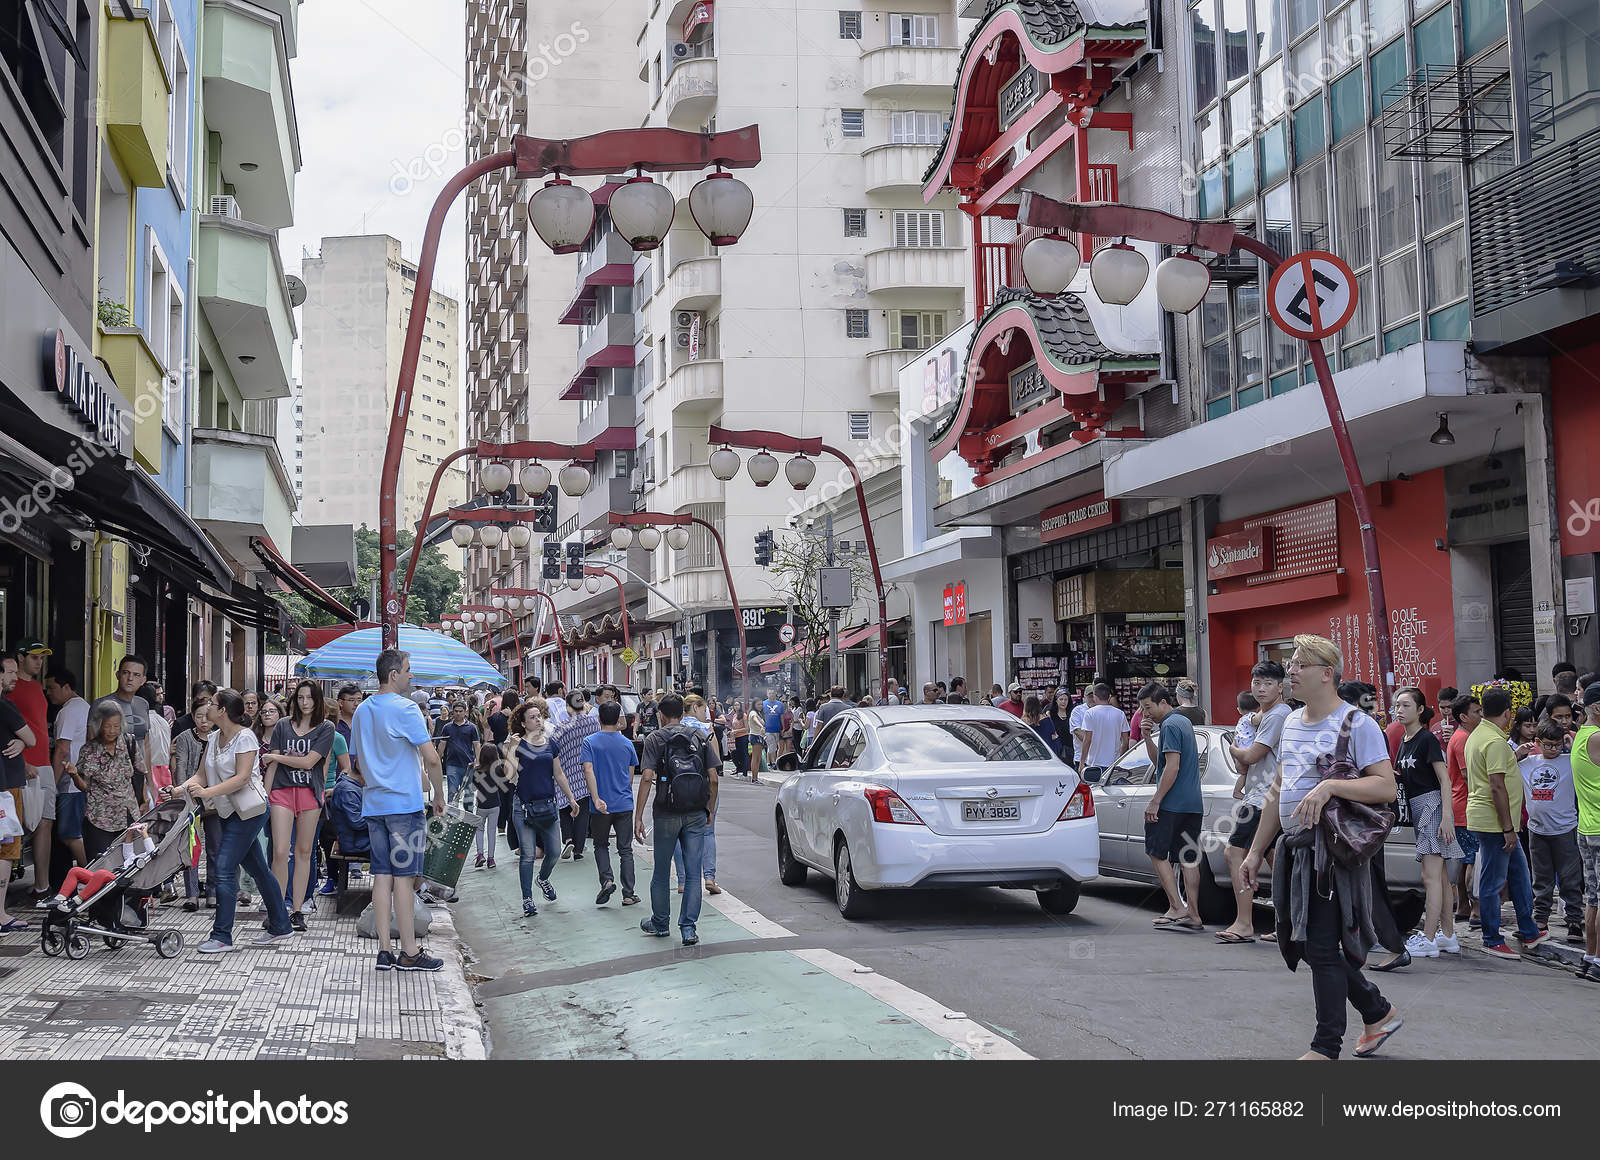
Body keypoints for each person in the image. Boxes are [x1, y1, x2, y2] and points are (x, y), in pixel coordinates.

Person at [1239, 635, 1402, 1060]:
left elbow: (1385, 786)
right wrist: (1257, 850)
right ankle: (1376, 1010)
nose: (1289, 671)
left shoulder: (1357, 723)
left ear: (1326, 673)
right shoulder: (1291, 722)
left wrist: (1330, 785)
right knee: (1310, 945)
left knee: (1321, 945)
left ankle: (1325, 1047)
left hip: (1333, 850)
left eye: (1299, 665)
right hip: (1295, 848)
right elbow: (1278, 788)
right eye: (1290, 664)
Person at [166, 690, 296, 953]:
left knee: (223, 868)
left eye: (212, 705)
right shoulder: (214, 738)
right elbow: (201, 775)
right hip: (228, 812)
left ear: (223, 710)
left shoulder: (245, 737)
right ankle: (281, 924)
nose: (208, 709)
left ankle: (222, 935)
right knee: (259, 869)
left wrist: (207, 794)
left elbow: (242, 778)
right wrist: (178, 790)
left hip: (250, 812)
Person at [348, 650, 447, 972]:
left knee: (381, 876)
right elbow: (431, 758)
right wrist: (438, 794)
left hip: (374, 805)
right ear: (393, 674)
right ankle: (409, 952)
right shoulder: (405, 708)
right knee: (405, 879)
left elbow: (356, 762)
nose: (410, 676)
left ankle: (383, 950)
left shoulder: (362, 710)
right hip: (404, 806)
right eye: (407, 670)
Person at [1465, 686, 1545, 958]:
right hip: (1495, 822)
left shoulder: (1479, 735)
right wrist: (1508, 828)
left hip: (1494, 819)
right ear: (1508, 712)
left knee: (1521, 875)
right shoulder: (1495, 742)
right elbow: (1496, 786)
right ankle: (1491, 937)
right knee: (1492, 880)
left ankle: (1529, 929)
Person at [1217, 661, 1291, 944]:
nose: (1260, 688)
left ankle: (1244, 923)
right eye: (1256, 683)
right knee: (1278, 861)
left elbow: (1249, 756)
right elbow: (1244, 759)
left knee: (1234, 853)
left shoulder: (1279, 714)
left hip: (1263, 798)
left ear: (1280, 686)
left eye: (1268, 683)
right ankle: (1289, 924)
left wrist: (1233, 746)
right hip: (1263, 795)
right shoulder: (1266, 714)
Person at [636, 694, 717, 945]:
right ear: (682, 714)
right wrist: (709, 809)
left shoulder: (655, 738)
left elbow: (647, 777)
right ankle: (688, 928)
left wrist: (638, 815)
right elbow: (713, 778)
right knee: (694, 873)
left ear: (661, 715)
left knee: (661, 870)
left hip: (666, 812)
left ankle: (660, 923)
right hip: (695, 812)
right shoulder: (699, 736)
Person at [1391, 687, 1463, 960]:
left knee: (1430, 876)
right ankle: (1447, 934)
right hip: (1419, 808)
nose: (1399, 710)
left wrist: (1446, 816)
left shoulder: (1426, 739)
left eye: (1406, 705)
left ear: (1420, 710)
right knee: (1441, 876)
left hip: (1431, 805)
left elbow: (1444, 779)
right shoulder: (1405, 741)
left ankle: (1430, 938)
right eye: (1397, 705)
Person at [261, 680, 335, 931]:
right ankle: (277, 907)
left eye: (309, 697)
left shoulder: (326, 728)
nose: (304, 702)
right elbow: (272, 767)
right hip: (281, 792)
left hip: (310, 792)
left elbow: (308, 763)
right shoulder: (283, 724)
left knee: (305, 852)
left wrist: (275, 756)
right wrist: (264, 796)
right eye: (300, 697)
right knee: (280, 851)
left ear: (317, 700)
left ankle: (298, 909)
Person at [1133, 682, 1206, 932]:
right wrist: (1145, 736)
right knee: (1188, 858)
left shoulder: (1172, 724)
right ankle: (1193, 913)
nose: (1146, 714)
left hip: (1172, 802)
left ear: (1163, 702)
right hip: (1192, 803)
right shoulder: (1181, 723)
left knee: (1156, 851)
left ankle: (1176, 906)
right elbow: (1160, 763)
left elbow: (1172, 768)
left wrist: (1156, 800)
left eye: (1148, 707)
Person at [506, 701, 580, 916]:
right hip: (523, 807)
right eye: (533, 717)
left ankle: (543, 879)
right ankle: (527, 900)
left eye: (540, 716)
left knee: (555, 852)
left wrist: (571, 799)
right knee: (528, 855)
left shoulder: (550, 743)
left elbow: (559, 774)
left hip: (548, 805)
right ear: (523, 723)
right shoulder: (516, 745)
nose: (538, 720)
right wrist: (510, 748)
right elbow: (509, 775)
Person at [1521, 719, 1585, 944]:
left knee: (1570, 878)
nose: (1553, 749)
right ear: (1537, 742)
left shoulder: (1570, 761)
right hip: (1537, 829)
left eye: (1557, 745)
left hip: (1565, 828)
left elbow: (1589, 757)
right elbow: (1503, 766)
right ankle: (1541, 919)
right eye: (1548, 745)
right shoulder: (1528, 763)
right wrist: (1519, 752)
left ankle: (1575, 920)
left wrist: (1574, 742)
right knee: (1541, 877)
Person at [7, 640, 54, 902]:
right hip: (25, 767)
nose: (39, 662)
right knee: (17, 826)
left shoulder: (37, 687)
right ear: (20, 657)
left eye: (42, 658)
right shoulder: (11, 690)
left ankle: (42, 886)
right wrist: (22, 762)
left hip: (43, 765)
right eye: (34, 657)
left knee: (44, 823)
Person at [582, 700, 638, 906]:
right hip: (624, 803)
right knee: (625, 850)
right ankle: (629, 893)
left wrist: (596, 798)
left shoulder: (590, 742)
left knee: (601, 844)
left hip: (600, 804)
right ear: (619, 721)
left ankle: (607, 880)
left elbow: (588, 770)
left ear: (598, 719)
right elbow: (631, 777)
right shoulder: (627, 744)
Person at [0, 657, 37, 932]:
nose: (15, 677)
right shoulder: (5, 706)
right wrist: (24, 740)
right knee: (6, 850)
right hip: (6, 790)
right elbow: (33, 738)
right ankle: (0, 914)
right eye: (10, 672)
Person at [676, 693, 723, 894]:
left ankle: (683, 880)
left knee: (679, 833)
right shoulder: (706, 730)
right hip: (703, 784)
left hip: (679, 786)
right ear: (695, 707)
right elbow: (716, 764)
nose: (707, 714)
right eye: (704, 709)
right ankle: (709, 877)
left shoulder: (674, 728)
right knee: (707, 831)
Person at [45, 669, 90, 874]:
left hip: (70, 784)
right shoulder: (85, 707)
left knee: (69, 833)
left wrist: (50, 785)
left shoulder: (68, 711)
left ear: (66, 687)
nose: (48, 693)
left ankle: (92, 876)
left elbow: (62, 749)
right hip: (80, 781)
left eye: (52, 688)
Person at [172, 696, 213, 910]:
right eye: (199, 716)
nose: (204, 721)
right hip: (190, 800)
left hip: (216, 800)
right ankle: (192, 895)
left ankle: (213, 893)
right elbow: (181, 769)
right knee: (192, 847)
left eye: (208, 716)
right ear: (192, 717)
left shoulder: (219, 738)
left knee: (215, 847)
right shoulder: (185, 738)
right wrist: (183, 794)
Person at [1571, 683, 1600, 980]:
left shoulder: (1581, 735)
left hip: (1587, 827)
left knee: (1593, 896)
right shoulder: (1597, 736)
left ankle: (1590, 955)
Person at [1447, 694, 1482, 926]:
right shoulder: (1463, 740)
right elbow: (1469, 776)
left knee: (1464, 860)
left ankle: (1462, 906)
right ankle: (1477, 910)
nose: (1480, 715)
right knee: (1473, 859)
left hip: (1459, 807)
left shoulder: (1461, 737)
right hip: (1466, 807)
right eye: (1476, 712)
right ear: (1463, 717)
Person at [550, 688, 597, 860]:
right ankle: (578, 848)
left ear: (568, 707)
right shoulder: (594, 724)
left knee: (564, 806)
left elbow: (551, 748)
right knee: (583, 810)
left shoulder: (561, 727)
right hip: (586, 772)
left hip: (564, 771)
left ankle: (568, 837)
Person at [433, 699, 481, 804]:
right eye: (456, 711)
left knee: (469, 795)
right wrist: (436, 761)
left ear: (465, 712)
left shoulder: (472, 728)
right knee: (452, 793)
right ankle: (451, 816)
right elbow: (442, 745)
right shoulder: (447, 727)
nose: (458, 713)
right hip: (452, 765)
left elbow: (476, 745)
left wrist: (478, 761)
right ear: (452, 712)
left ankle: (468, 817)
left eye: (460, 711)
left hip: (469, 765)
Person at [1081, 682, 1130, 782]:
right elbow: (1125, 741)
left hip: (1095, 763)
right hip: (1114, 763)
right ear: (1109, 696)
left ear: (1095, 696)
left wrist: (1082, 761)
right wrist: (1120, 758)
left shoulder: (1090, 713)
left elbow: (1087, 739)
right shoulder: (1120, 714)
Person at [470, 742, 502, 870]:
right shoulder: (499, 769)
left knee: (479, 830)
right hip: (495, 804)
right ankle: (491, 859)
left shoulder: (477, 770)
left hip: (481, 805)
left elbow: (472, 788)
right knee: (492, 831)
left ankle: (480, 855)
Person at [1069, 683, 1093, 768]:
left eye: (1094, 696)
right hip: (1082, 758)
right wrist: (1096, 744)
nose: (1093, 699)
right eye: (1090, 696)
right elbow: (1077, 731)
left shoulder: (1101, 711)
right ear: (1085, 697)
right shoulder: (1077, 711)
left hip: (1099, 759)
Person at [728, 700, 751, 779]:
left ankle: (744, 773)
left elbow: (747, 728)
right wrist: (731, 732)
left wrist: (736, 731)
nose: (736, 707)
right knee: (736, 754)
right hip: (736, 737)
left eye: (738, 705)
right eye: (735, 705)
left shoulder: (743, 715)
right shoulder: (734, 715)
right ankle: (739, 768)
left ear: (741, 706)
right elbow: (734, 727)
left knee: (744, 754)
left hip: (743, 737)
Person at [760, 690, 785, 757]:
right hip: (767, 729)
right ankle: (771, 763)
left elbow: (782, 717)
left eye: (773, 693)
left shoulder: (780, 704)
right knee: (771, 747)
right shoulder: (763, 703)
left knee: (774, 748)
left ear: (775, 694)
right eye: (770, 693)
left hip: (777, 729)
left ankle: (773, 762)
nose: (771, 695)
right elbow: (760, 716)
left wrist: (783, 727)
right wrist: (762, 726)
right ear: (767, 694)